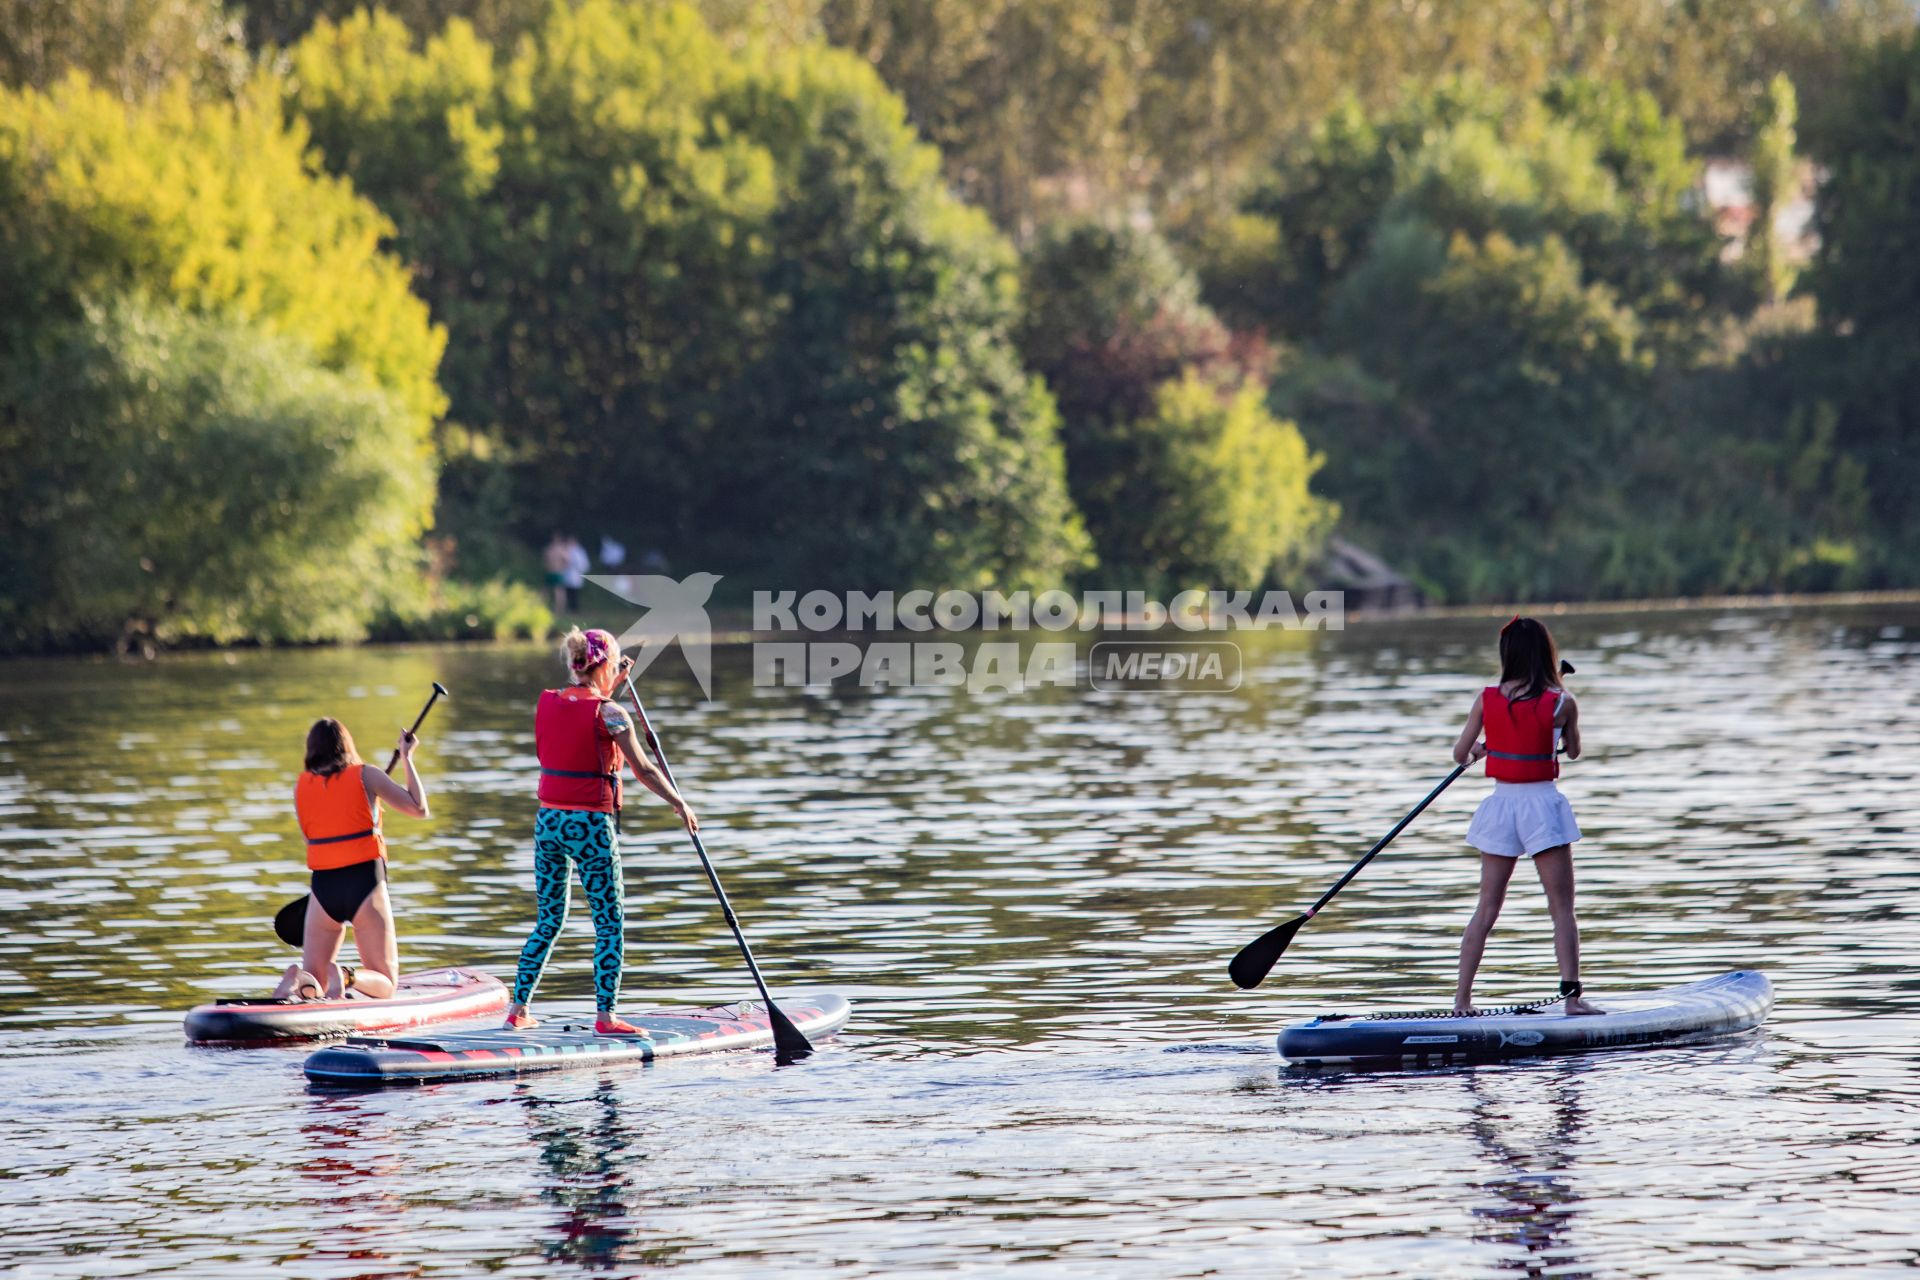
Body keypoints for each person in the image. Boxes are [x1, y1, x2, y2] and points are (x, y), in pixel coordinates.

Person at [503, 627, 699, 1035]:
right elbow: (643, 768)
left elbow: (586, 709)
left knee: (549, 920)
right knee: (609, 922)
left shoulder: (552, 702)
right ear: (604, 665)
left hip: (549, 822)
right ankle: (607, 1016)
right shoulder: (612, 713)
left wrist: (615, 685)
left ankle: (517, 1009)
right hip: (590, 823)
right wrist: (679, 802)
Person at [1449, 616, 1602, 1016]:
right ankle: (1572, 1000)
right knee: (1562, 909)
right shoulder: (1562, 702)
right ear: (1546, 655)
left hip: (1500, 806)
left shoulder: (1486, 699)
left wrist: (1486, 748)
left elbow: (1460, 754)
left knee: (1486, 909)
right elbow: (1573, 751)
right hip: (1541, 807)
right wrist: (1563, 708)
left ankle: (1462, 1001)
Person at [272, 719, 429, 1002]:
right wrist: (406, 757)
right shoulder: (367, 775)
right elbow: (418, 809)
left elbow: (312, 840)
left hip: (323, 889)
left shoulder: (301, 786)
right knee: (385, 982)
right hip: (364, 884)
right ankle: (345, 976)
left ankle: (298, 980)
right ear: (347, 744)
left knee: (315, 983)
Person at [543, 532, 570, 614]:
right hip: (550, 571)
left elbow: (567, 560)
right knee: (545, 589)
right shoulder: (550, 548)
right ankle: (543, 607)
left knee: (558, 591)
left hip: (558, 572)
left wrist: (563, 568)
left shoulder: (560, 549)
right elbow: (545, 559)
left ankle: (559, 610)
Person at [563, 535, 590, 612]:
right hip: (567, 573)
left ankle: (574, 609)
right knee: (568, 591)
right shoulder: (566, 549)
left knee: (574, 593)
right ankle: (570, 608)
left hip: (576, 574)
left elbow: (583, 563)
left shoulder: (579, 551)